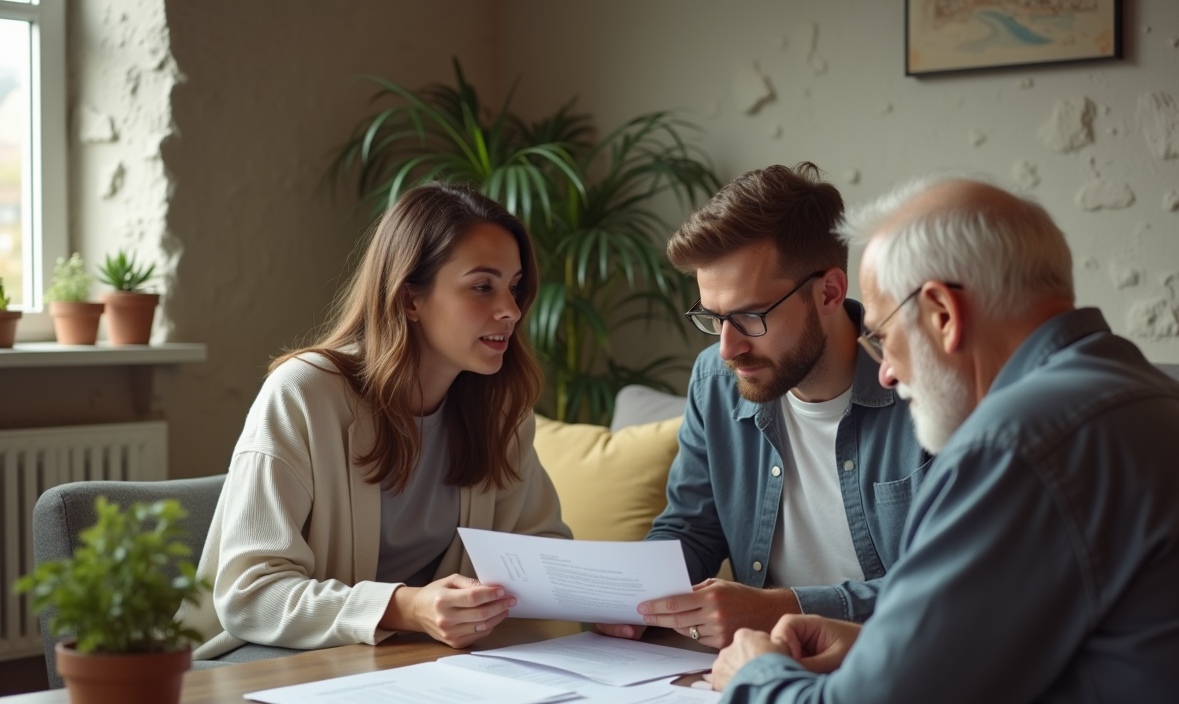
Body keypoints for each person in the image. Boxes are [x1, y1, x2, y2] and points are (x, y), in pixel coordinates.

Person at [712, 176, 1179, 704]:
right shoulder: (1161, 404)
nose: (885, 373)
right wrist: (874, 649)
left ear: (942, 313)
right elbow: (1089, 659)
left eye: (883, 338)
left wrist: (754, 675)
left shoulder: (1014, 449)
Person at [180, 184, 571, 660]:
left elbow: (542, 550)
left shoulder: (503, 412)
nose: (510, 308)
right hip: (272, 656)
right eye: (482, 286)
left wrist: (617, 609)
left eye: (514, 286)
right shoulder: (303, 393)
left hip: (423, 660)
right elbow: (251, 595)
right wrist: (406, 607)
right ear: (410, 299)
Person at [598, 163, 929, 649]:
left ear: (829, 292)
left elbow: (944, 588)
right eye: (713, 318)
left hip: (891, 667)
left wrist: (784, 606)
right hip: (757, 666)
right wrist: (632, 596)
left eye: (750, 316)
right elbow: (692, 529)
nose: (728, 349)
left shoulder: (926, 394)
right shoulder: (714, 381)